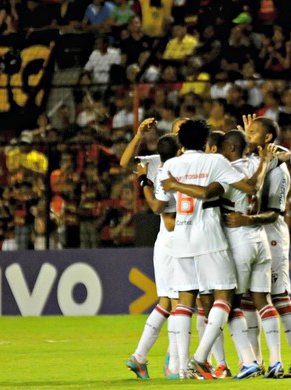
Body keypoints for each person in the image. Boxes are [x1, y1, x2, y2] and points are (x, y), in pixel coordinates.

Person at [156, 119, 268, 379]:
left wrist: (168, 185)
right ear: (207, 141)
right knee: (224, 297)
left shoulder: (169, 166)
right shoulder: (215, 161)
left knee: (185, 300)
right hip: (209, 237)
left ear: (181, 142)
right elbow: (250, 188)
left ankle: (182, 368)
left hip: (181, 237)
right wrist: (263, 163)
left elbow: (160, 206)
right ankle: (199, 358)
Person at [230, 116, 291, 378]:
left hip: (270, 234)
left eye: (253, 132)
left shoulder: (278, 169)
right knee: (248, 300)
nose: (247, 134)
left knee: (279, 297)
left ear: (266, 139)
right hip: (249, 235)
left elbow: (275, 212)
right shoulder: (254, 162)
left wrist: (246, 220)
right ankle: (256, 361)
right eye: (246, 131)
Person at [126, 129, 182, 379]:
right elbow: (168, 218)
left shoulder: (180, 169)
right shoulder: (164, 170)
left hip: (173, 244)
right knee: (179, 303)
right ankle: (174, 364)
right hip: (172, 244)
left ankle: (140, 357)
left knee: (168, 303)